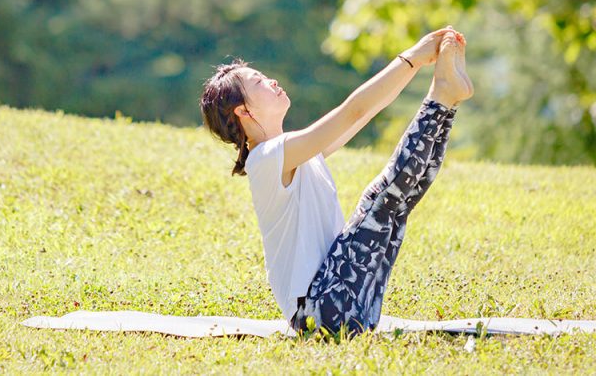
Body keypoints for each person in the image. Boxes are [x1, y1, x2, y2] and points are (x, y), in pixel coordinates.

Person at [199, 26, 473, 339]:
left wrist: (421, 61)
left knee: (399, 205)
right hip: (320, 311)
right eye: (259, 82)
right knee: (380, 201)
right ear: (244, 111)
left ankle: (445, 102)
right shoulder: (264, 159)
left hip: (346, 304)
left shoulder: (294, 154)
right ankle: (441, 97)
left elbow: (363, 112)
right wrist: (412, 57)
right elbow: (351, 111)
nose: (272, 81)